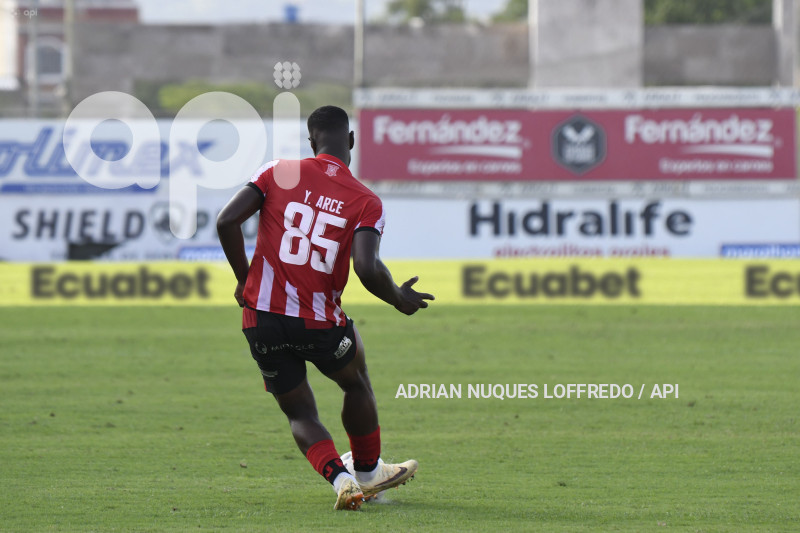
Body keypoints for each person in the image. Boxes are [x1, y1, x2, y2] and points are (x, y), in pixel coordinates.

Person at [216, 105, 434, 511]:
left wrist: (245, 280)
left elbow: (226, 221)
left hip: (261, 318)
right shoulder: (366, 201)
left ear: (311, 141)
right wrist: (397, 297)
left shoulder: (278, 172)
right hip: (318, 323)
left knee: (300, 413)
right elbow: (366, 267)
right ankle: (368, 472)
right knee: (356, 382)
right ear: (350, 140)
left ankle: (341, 481)